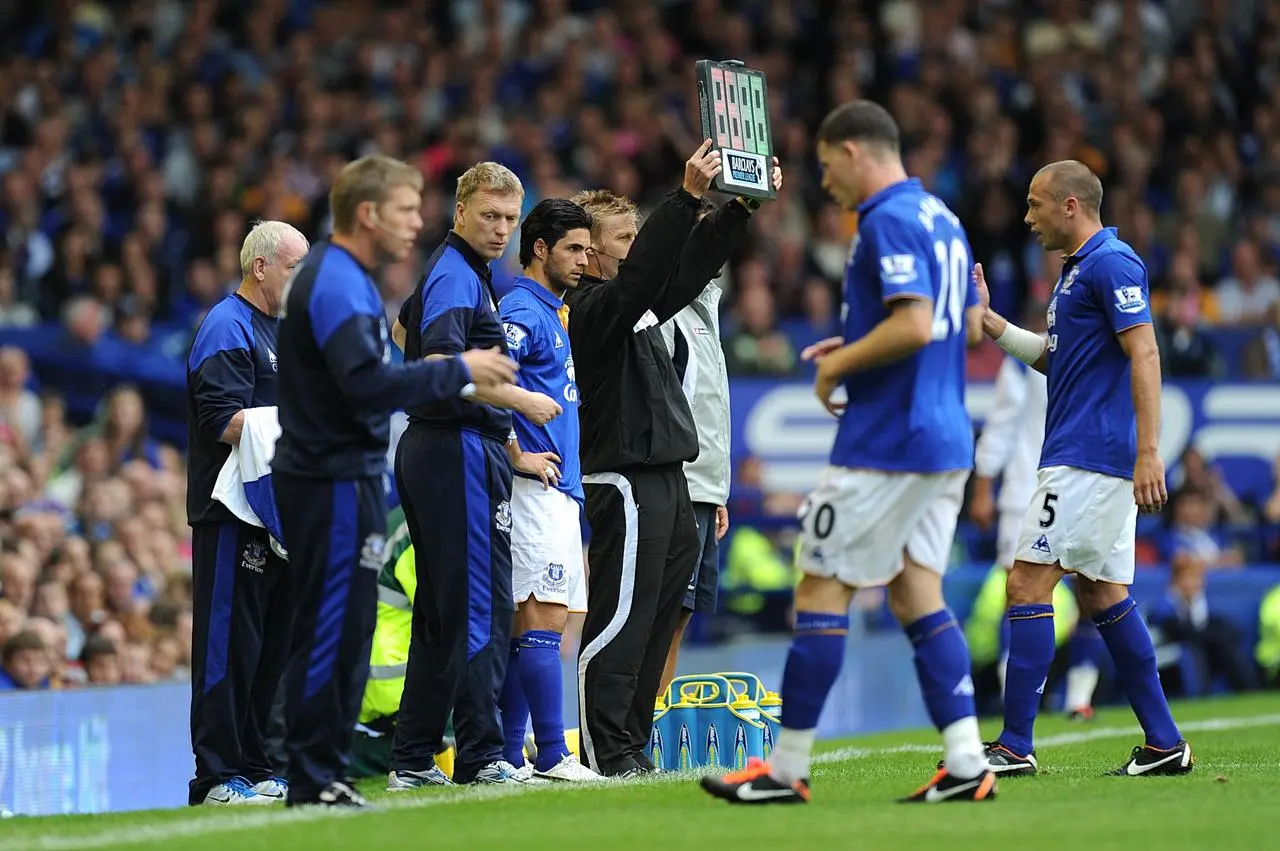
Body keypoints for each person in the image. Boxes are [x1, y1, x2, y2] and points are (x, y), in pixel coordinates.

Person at [700, 100, 993, 805]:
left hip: (888, 441)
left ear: (855, 150)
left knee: (820, 588)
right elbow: (967, 329)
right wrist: (859, 352)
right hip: (947, 437)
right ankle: (965, 760)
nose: (825, 182)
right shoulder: (942, 220)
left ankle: (785, 769)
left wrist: (835, 370)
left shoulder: (887, 219)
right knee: (915, 586)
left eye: (828, 165)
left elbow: (918, 324)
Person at [272, 155, 518, 809]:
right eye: (408, 210)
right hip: (329, 474)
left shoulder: (346, 279)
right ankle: (313, 773)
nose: (418, 222)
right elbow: (368, 384)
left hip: (346, 471)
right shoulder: (337, 282)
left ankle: (324, 772)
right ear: (368, 214)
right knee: (333, 627)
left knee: (350, 626)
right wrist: (458, 370)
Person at [970, 159, 1192, 778]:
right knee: (1101, 592)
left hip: (1088, 458)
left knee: (1026, 584)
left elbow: (1144, 349)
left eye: (1036, 203)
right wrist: (994, 327)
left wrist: (1150, 451)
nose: (1028, 215)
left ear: (1071, 206)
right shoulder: (1076, 275)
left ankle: (1014, 745)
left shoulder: (1112, 264)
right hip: (1085, 456)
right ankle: (1165, 742)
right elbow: (1054, 361)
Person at [569, 140, 781, 778]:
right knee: (622, 619)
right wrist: (686, 199)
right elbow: (645, 279)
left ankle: (632, 745)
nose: (635, 246)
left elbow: (684, 271)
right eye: (623, 237)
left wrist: (739, 207)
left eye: (639, 234)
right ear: (592, 252)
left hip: (669, 475)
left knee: (659, 620)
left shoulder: (639, 309)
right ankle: (606, 747)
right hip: (624, 479)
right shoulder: (593, 310)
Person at [387, 162, 562, 790]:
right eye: (489, 215)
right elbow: (437, 360)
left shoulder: (458, 275)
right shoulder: (460, 277)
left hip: (441, 445)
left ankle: (412, 757)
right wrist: (518, 402)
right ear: (460, 210)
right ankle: (484, 754)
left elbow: (403, 329)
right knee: (481, 604)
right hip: (456, 446)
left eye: (511, 219)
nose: (501, 229)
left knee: (440, 610)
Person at [185, 220, 308, 807]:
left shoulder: (284, 333)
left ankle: (257, 764)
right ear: (260, 267)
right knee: (227, 647)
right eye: (294, 267)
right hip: (232, 508)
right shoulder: (226, 325)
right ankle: (215, 774)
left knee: (268, 650)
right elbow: (223, 418)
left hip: (277, 513)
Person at [495, 199, 601, 782]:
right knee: (542, 618)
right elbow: (488, 380)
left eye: (587, 249)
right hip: (534, 488)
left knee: (535, 620)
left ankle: (513, 756)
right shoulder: (520, 310)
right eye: (574, 249)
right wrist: (517, 453)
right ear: (541, 249)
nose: (585, 260)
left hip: (557, 491)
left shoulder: (552, 312)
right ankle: (554, 755)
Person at [969, 303, 1104, 720]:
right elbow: (1002, 424)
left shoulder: (1091, 357)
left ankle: (1079, 700)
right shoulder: (1025, 361)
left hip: (1079, 489)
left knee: (1092, 594)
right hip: (1026, 494)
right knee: (1022, 594)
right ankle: (1017, 701)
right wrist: (984, 486)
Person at [658, 196, 732, 696]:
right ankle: (630, 735)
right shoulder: (667, 313)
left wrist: (716, 490)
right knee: (660, 617)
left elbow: (707, 407)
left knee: (679, 618)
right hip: (675, 485)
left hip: (703, 488)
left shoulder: (705, 306)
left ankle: (648, 727)